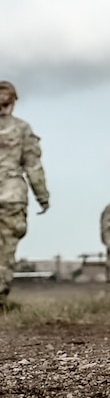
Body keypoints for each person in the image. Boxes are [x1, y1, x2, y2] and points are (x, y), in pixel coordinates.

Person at [0, 82, 50, 311]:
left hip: (11, 196)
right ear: (13, 103)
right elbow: (33, 167)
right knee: (5, 250)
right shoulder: (22, 129)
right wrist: (42, 197)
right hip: (11, 196)